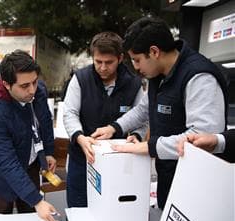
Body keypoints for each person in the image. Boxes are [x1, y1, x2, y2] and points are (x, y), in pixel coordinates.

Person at [91, 17, 228, 209]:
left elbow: (202, 137)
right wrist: (114, 128)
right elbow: (143, 110)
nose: (136, 67)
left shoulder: (199, 77)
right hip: (168, 174)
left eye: (137, 60)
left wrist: (149, 147)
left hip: (195, 184)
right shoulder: (158, 75)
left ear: (154, 52)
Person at [63, 31, 145, 207]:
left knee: (113, 210)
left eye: (109, 62)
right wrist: (79, 137)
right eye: (98, 61)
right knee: (79, 211)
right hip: (82, 159)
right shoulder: (80, 79)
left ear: (120, 58)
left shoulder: (133, 83)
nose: (102, 67)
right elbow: (69, 113)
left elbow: (143, 117)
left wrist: (137, 135)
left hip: (118, 162)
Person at [0, 50, 58, 221]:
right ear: (7, 84)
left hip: (29, 162)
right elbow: (6, 161)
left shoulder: (38, 90)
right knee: (2, 218)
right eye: (24, 86)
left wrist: (49, 152)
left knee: (30, 216)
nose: (32, 90)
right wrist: (37, 200)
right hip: (0, 173)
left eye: (35, 82)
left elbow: (44, 120)